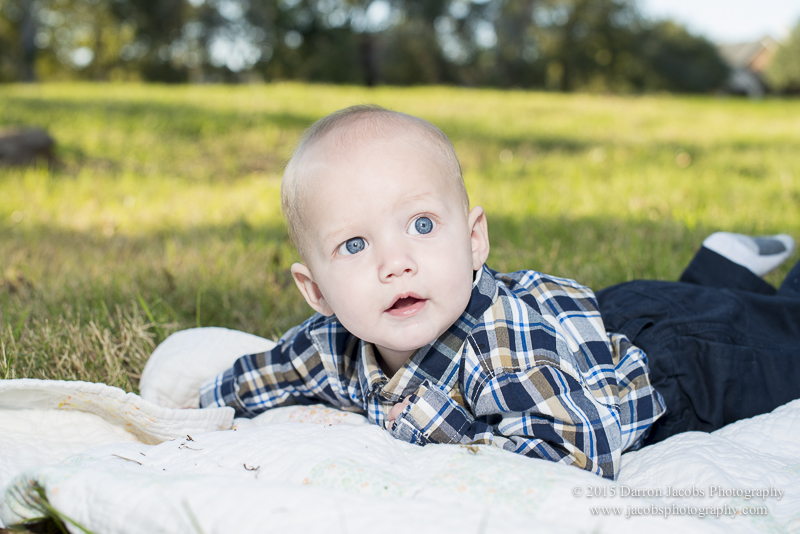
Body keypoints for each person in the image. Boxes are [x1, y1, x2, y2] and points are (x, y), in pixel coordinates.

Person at [199, 105, 800, 480]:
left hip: (686, 362)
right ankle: (722, 267)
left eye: (423, 226)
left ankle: (726, 281)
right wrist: (202, 404)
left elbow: (578, 445)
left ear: (474, 238)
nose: (396, 263)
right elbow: (271, 373)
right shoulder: (333, 344)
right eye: (354, 246)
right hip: (605, 322)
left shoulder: (499, 351)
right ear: (316, 291)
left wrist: (440, 463)